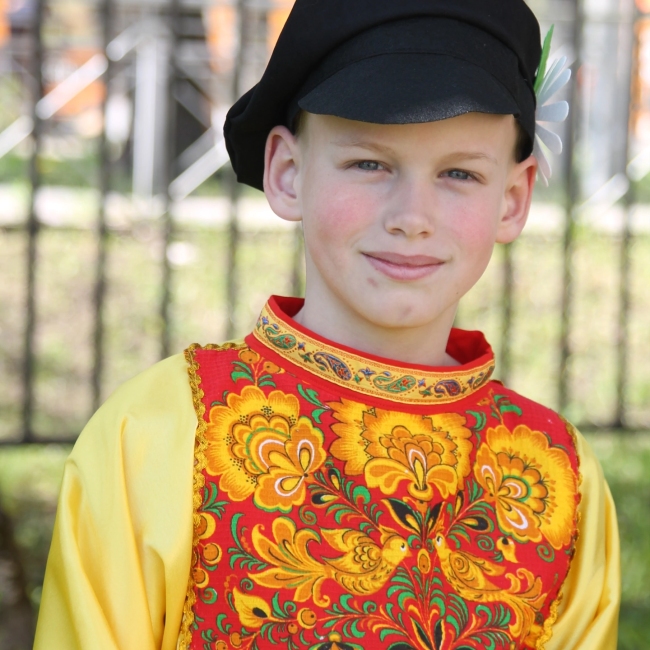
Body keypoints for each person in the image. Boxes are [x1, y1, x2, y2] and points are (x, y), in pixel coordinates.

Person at [34, 1, 620, 649]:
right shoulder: (160, 433)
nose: (411, 217)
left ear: (512, 199)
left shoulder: (559, 477)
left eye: (459, 173)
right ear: (288, 173)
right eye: (370, 163)